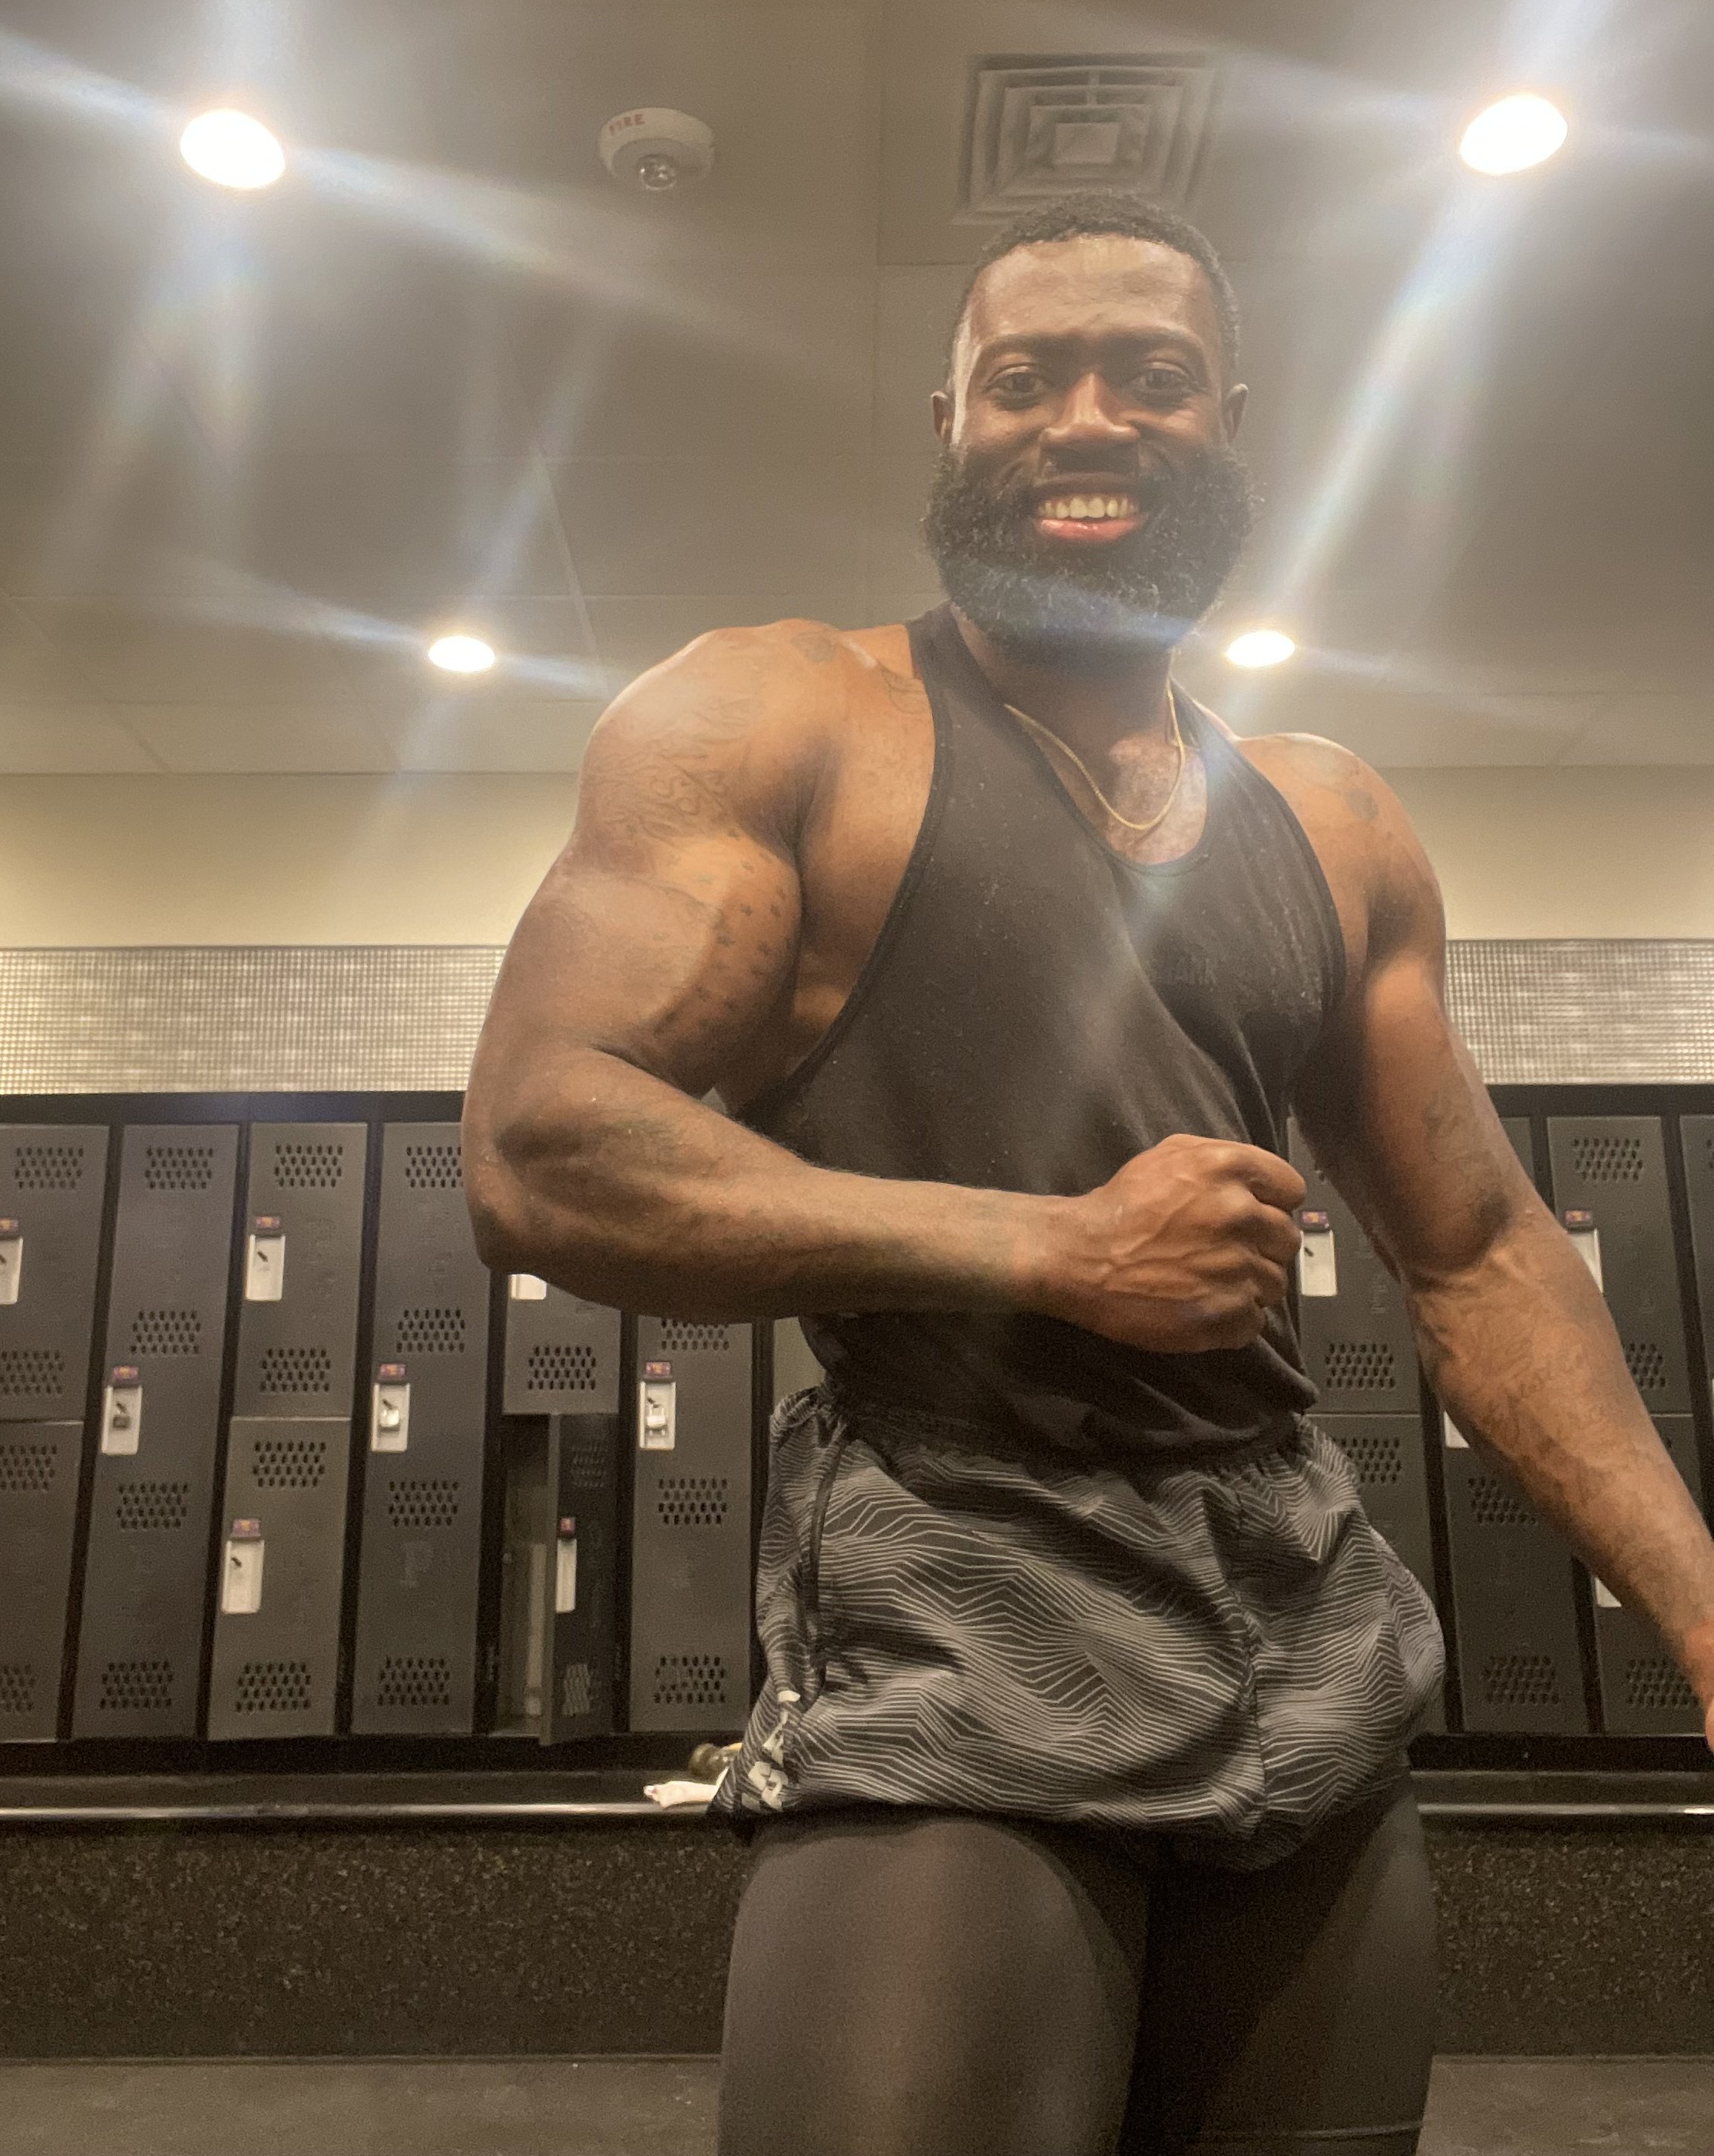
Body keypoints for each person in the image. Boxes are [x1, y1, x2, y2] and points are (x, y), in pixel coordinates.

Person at [463, 190, 1714, 2156]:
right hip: (962, 1600)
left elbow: (1476, 1245)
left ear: (1230, 424)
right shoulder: (787, 714)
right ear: (948, 423)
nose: (1084, 421)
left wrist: (1702, 1604)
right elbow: (542, 1139)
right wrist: (1046, 1247)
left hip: (1301, 1637)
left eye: (1149, 377)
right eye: (1022, 379)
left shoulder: (1331, 813)